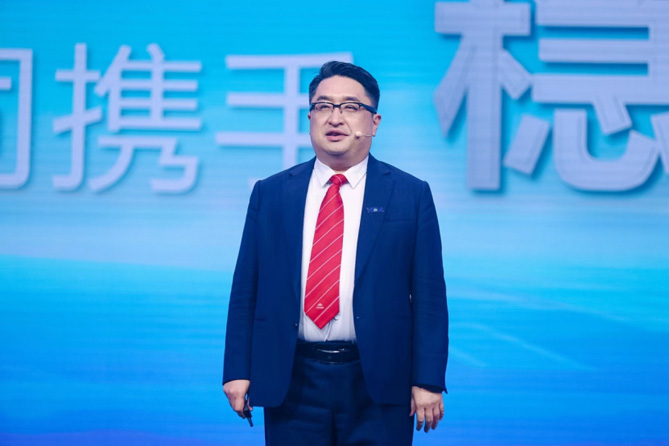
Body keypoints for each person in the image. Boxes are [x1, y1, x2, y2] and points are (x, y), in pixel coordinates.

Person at [223, 61, 448, 445]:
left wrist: (427, 379)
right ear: (310, 118)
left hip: (379, 379)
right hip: (293, 377)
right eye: (324, 106)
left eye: (350, 107)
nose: (335, 117)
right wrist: (237, 369)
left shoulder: (410, 195)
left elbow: (429, 297)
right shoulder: (272, 193)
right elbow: (247, 288)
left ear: (374, 122)